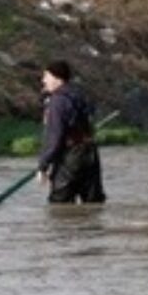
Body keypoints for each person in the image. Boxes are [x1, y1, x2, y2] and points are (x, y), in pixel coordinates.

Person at [36, 60, 106, 204]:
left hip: (70, 158)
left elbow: (54, 137)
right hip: (90, 154)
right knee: (93, 203)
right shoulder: (79, 94)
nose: (43, 80)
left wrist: (43, 165)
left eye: (46, 76)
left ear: (57, 78)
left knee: (59, 206)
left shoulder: (57, 101)